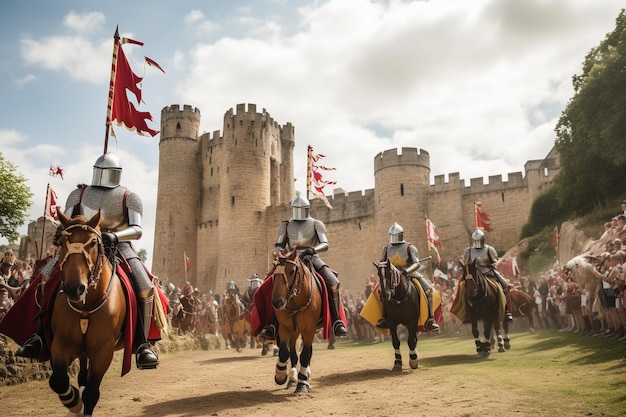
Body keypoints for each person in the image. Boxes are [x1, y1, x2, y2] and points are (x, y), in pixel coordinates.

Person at [15, 152, 160, 369]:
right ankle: (39, 336)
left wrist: (115, 235)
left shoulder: (129, 197)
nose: (101, 175)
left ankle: (142, 344)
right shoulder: (79, 194)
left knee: (144, 284)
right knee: (45, 275)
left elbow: (137, 230)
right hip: (81, 246)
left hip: (118, 245)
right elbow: (67, 222)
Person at [259, 194, 348, 340]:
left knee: (333, 282)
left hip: (311, 258)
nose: (298, 213)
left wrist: (313, 249)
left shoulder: (316, 224)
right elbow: (279, 243)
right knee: (269, 283)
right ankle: (272, 324)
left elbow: (325, 244)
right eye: (296, 209)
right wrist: (281, 250)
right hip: (290, 260)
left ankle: (337, 321)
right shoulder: (286, 225)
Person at [375, 223, 440, 332]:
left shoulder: (409, 247)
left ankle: (430, 319)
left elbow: (416, 264)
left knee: (428, 289)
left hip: (408, 273)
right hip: (391, 276)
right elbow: (383, 263)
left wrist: (406, 271)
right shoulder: (386, 249)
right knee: (380, 291)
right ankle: (384, 317)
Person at [460, 228, 513, 322]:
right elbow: (464, 263)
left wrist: (490, 263)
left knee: (505, 285)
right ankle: (466, 313)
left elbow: (495, 262)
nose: (477, 242)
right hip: (473, 274)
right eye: (475, 241)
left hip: (488, 272)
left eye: (478, 240)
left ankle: (506, 311)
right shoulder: (468, 251)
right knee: (461, 288)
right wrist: (469, 264)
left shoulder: (489, 249)